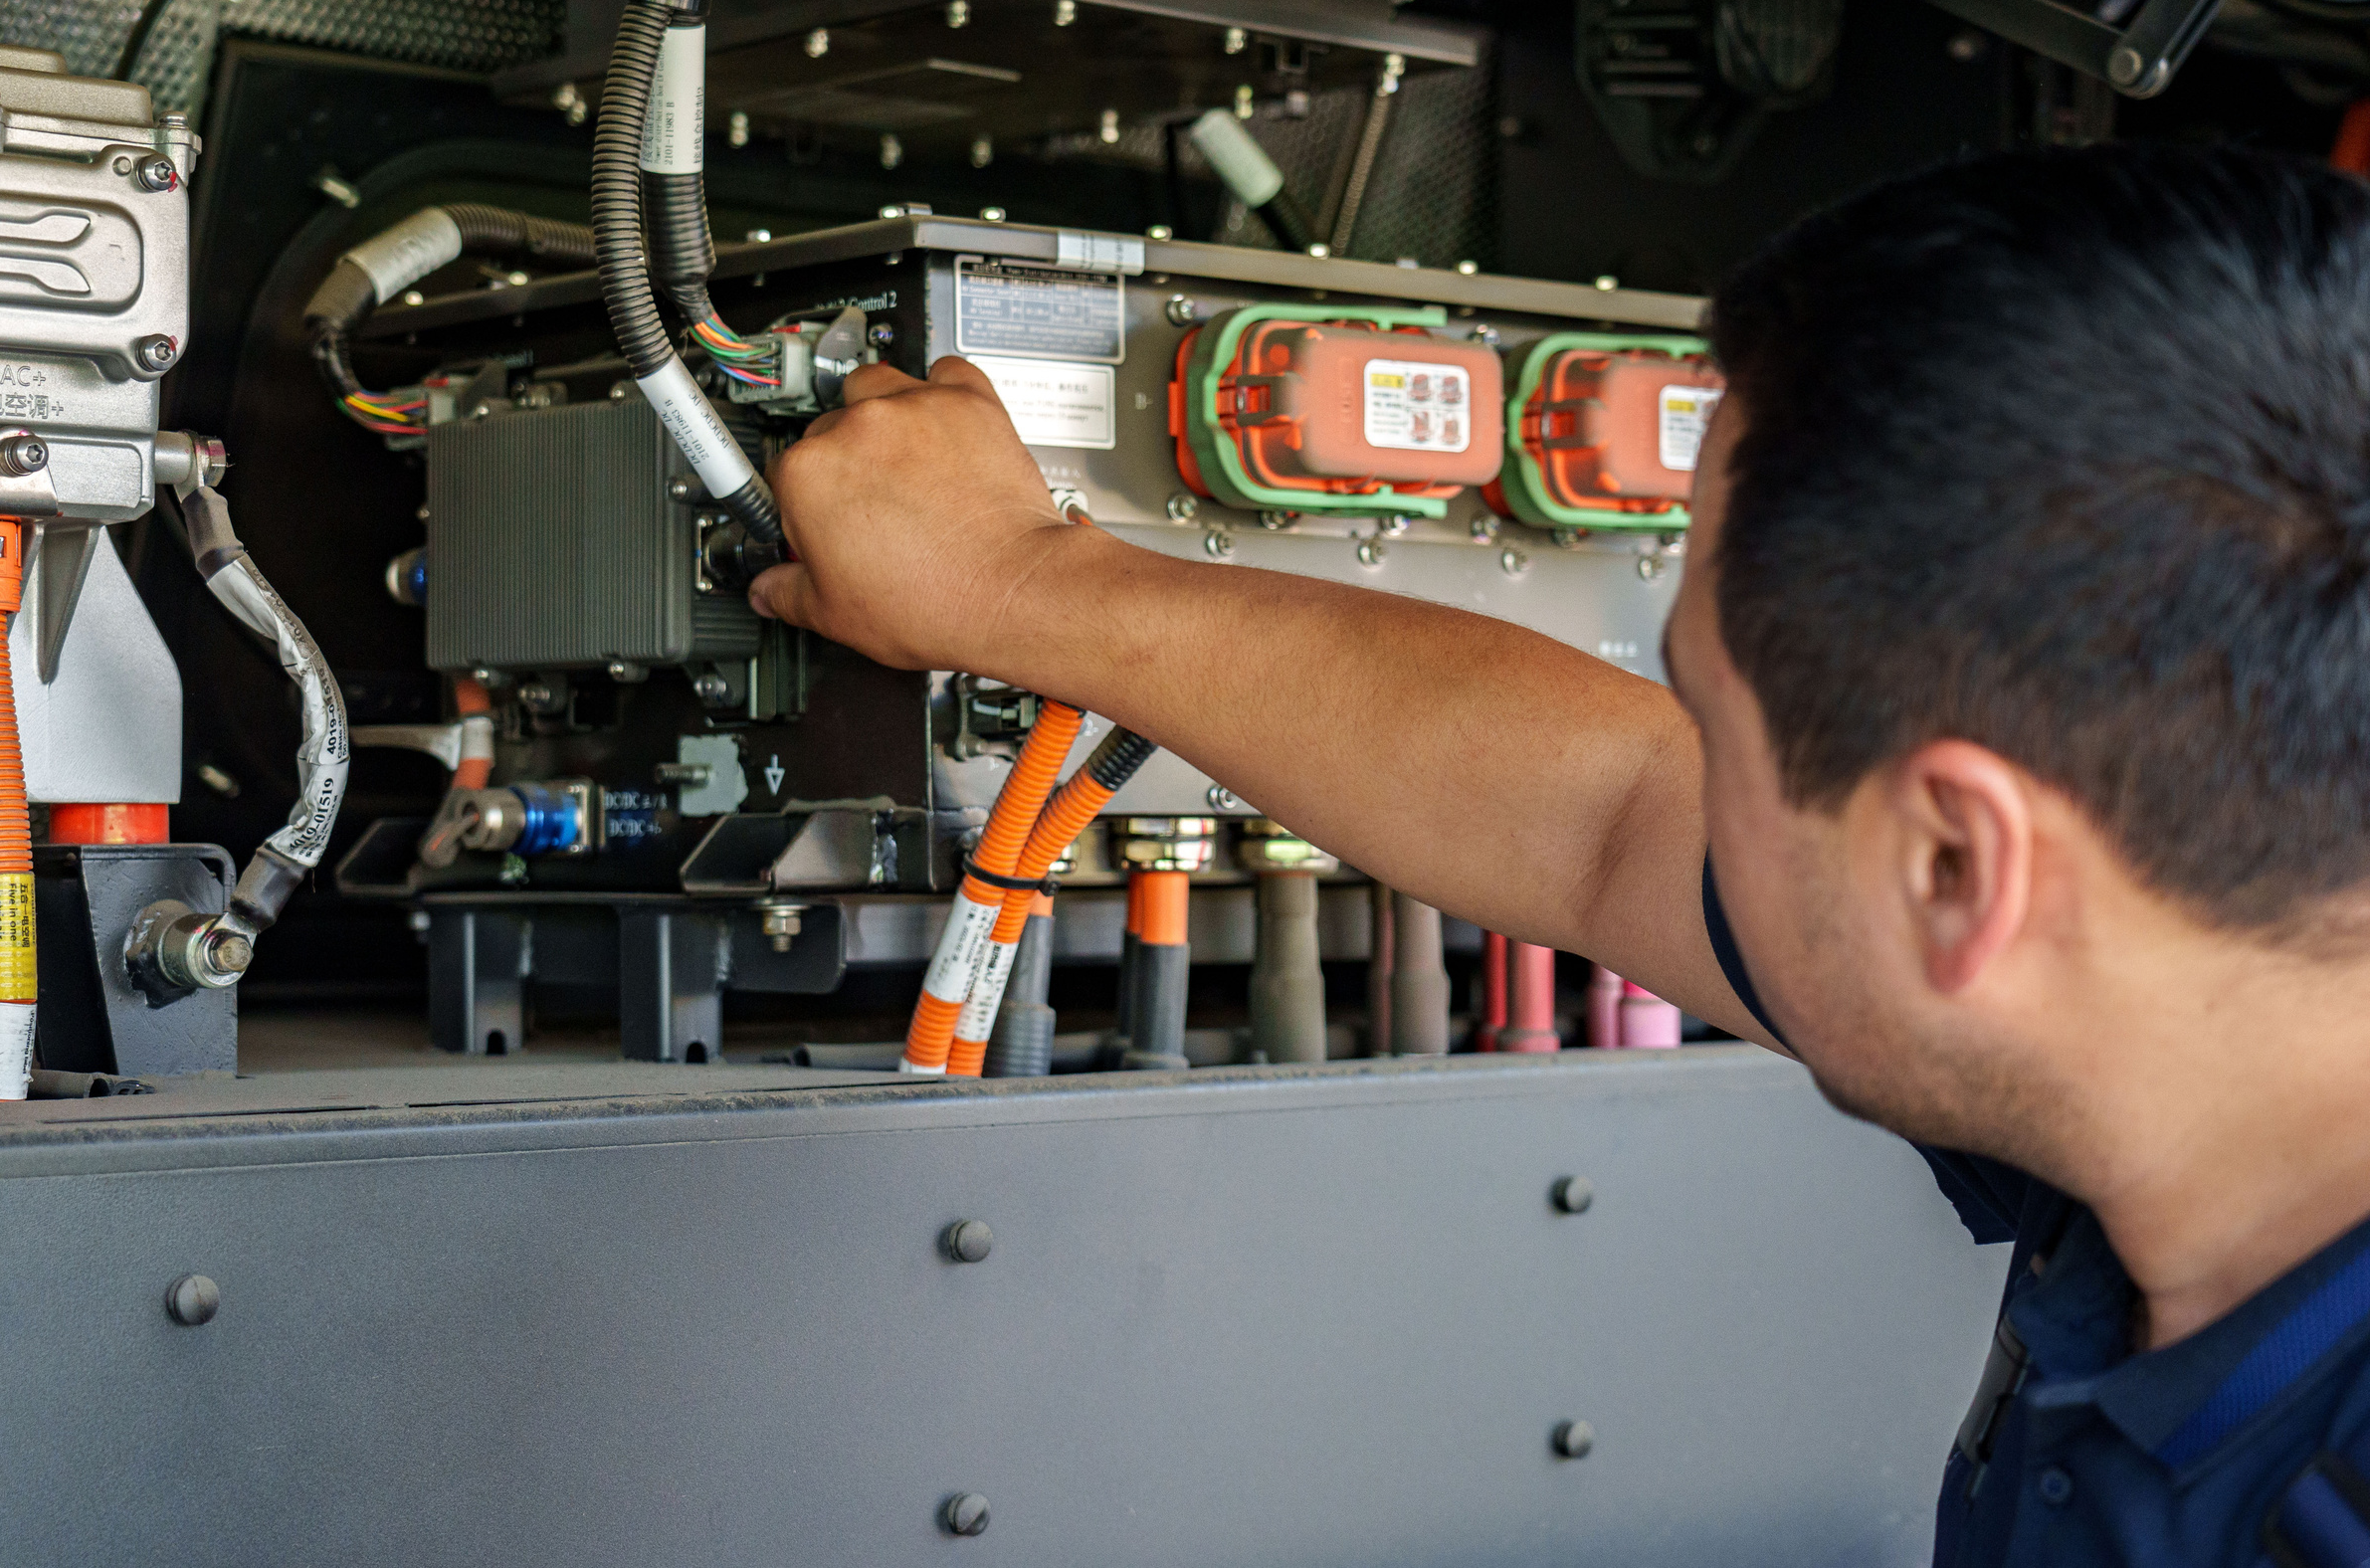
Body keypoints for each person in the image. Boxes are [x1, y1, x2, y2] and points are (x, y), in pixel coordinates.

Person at [747, 142, 2370, 1567]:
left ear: (1958, 874)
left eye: (1715, 728)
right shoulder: (2194, 1041)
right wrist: (1021, 584)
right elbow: (1599, 814)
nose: (1687, 778)